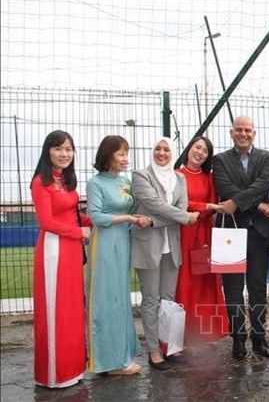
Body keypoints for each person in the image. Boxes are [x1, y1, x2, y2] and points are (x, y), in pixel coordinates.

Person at [131, 137, 199, 371]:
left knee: (168, 300)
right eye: (157, 149)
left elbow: (179, 208)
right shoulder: (141, 176)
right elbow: (155, 204)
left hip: (173, 247)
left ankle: (170, 346)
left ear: (173, 152)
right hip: (148, 247)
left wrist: (151, 221)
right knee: (151, 300)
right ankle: (153, 350)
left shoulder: (179, 178)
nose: (161, 153)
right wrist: (183, 218)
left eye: (166, 149)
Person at [212, 115, 269, 360]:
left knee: (258, 287)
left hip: (259, 232)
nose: (243, 134)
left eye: (247, 130)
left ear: (254, 133)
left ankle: (259, 338)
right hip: (230, 232)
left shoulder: (267, 158)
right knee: (233, 289)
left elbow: (263, 184)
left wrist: (239, 203)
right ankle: (238, 339)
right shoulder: (219, 161)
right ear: (231, 133)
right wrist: (257, 205)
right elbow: (224, 187)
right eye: (239, 130)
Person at [30, 130, 91, 388]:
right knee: (56, 313)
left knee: (73, 311)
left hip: (73, 250)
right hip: (54, 252)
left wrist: (99, 220)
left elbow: (73, 214)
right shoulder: (40, 183)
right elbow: (47, 222)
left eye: (68, 149)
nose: (64, 154)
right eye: (58, 149)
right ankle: (54, 375)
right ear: (48, 151)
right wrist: (79, 232)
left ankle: (73, 369)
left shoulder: (66, 181)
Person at [86, 135, 144, 376]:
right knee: (106, 300)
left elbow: (136, 205)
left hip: (123, 241)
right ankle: (108, 362)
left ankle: (122, 355)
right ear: (108, 155)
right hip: (106, 242)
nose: (125, 158)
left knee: (120, 298)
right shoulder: (95, 182)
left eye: (126, 154)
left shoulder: (125, 181)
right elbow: (96, 217)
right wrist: (128, 218)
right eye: (121, 154)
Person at [176, 136, 229, 348]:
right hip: (183, 233)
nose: (200, 152)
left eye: (205, 151)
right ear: (189, 148)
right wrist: (204, 207)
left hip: (205, 234)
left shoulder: (210, 177)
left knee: (204, 283)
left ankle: (205, 333)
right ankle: (183, 335)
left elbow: (215, 204)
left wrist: (204, 210)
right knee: (184, 282)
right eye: (197, 147)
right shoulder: (177, 175)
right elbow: (179, 203)